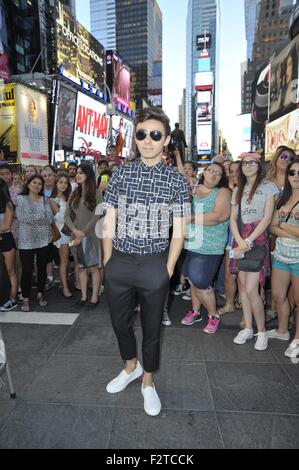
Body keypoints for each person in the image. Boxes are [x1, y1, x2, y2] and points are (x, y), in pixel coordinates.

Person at [103, 107, 190, 416]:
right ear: (135, 137)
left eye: (155, 135)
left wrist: (166, 270)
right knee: (118, 323)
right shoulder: (120, 174)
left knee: (152, 329)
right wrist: (107, 262)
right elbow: (109, 221)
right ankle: (131, 366)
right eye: (142, 134)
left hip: (155, 262)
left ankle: (148, 382)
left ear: (165, 139)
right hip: (120, 261)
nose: (148, 140)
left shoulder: (177, 182)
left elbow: (179, 232)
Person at [230, 153, 278, 350]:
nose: (247, 166)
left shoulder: (268, 187)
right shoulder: (238, 190)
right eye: (244, 163)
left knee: (251, 289)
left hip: (257, 241)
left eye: (252, 162)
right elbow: (233, 218)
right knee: (242, 286)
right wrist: (240, 241)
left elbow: (267, 219)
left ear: (259, 166)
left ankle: (262, 331)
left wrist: (248, 241)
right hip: (241, 239)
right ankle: (248, 328)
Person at [181, 162, 231, 333]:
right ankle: (195, 312)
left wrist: (192, 218)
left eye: (219, 173)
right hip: (192, 241)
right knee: (191, 279)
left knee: (201, 282)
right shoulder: (196, 188)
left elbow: (219, 216)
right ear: (204, 172)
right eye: (211, 170)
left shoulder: (223, 192)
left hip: (210, 245)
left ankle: (213, 315)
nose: (214, 174)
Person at [268, 158, 299, 358]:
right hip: (280, 254)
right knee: (278, 296)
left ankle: (297, 339)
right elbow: (271, 227)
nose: (296, 177)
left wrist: (283, 225)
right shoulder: (281, 198)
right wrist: (293, 231)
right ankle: (282, 330)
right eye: (292, 173)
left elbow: (278, 225)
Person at [64, 163, 102, 308]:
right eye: (77, 172)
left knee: (93, 268)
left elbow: (97, 215)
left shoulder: (97, 193)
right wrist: (75, 231)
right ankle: (84, 297)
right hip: (75, 236)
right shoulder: (74, 193)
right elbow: (67, 215)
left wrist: (83, 232)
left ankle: (94, 298)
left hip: (91, 235)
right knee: (80, 267)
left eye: (81, 173)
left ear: (88, 175)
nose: (77, 175)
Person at [15, 175, 53, 312]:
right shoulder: (20, 198)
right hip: (26, 240)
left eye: (40, 184)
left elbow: (49, 218)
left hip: (43, 239)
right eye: (34, 182)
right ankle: (25, 298)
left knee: (41, 268)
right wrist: (39, 218)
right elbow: (21, 216)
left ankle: (40, 294)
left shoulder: (45, 199)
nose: (37, 185)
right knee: (26, 270)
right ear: (28, 184)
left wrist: (34, 218)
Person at [219, 161, 241, 314]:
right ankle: (229, 303)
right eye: (231, 171)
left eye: (237, 171)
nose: (233, 174)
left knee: (246, 277)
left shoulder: (253, 190)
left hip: (248, 240)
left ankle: (244, 305)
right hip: (230, 239)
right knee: (229, 274)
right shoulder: (227, 191)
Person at [49, 174, 73, 298]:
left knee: (73, 260)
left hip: (73, 232)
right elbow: (59, 217)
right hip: (62, 233)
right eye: (61, 182)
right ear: (56, 183)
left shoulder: (70, 196)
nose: (63, 185)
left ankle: (74, 283)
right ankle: (65, 287)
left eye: (65, 183)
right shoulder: (52, 199)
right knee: (64, 261)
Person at [0, 179, 17, 312]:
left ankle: (11, 299)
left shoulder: (8, 204)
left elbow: (7, 225)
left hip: (6, 240)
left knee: (9, 270)